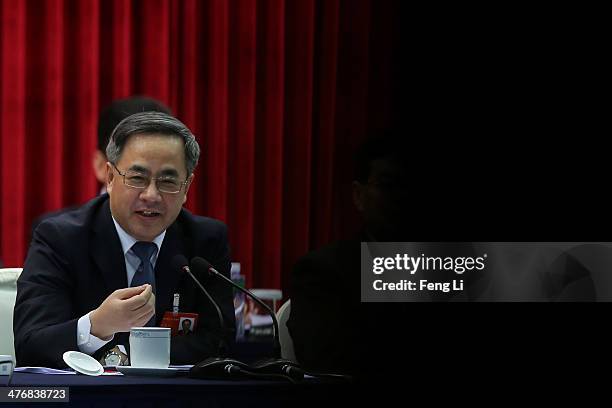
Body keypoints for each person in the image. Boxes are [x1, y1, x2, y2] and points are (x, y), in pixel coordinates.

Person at [14, 112, 235, 367]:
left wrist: (125, 357)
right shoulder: (61, 238)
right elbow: (31, 343)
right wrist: (97, 325)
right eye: (137, 178)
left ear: (186, 187)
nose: (151, 195)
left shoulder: (205, 241)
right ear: (110, 178)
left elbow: (220, 340)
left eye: (168, 181)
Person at [287, 134, 409, 376]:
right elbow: (324, 361)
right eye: (389, 185)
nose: (402, 197)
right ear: (358, 195)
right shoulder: (323, 272)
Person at [31, 97, 172, 234]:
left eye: (166, 179)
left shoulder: (191, 235)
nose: (152, 195)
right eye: (137, 177)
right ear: (101, 167)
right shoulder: (57, 234)